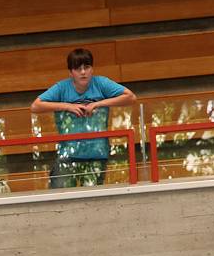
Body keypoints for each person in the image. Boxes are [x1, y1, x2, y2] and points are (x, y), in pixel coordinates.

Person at [31, 47, 136, 189]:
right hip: (67, 155)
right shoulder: (62, 87)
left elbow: (130, 97)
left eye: (86, 67)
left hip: (97, 154)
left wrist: (98, 104)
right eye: (78, 68)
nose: (83, 72)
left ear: (92, 69)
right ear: (70, 72)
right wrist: (67, 106)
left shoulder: (101, 83)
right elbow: (36, 106)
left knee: (92, 196)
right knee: (61, 194)